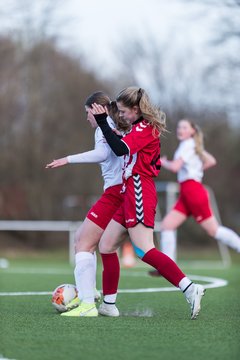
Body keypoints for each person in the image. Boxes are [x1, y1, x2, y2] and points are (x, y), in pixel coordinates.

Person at [68, 86, 205, 320]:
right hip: (128, 189)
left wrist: (102, 122)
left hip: (140, 188)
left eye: (122, 111)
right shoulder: (137, 125)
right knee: (107, 245)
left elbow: (120, 149)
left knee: (144, 249)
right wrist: (103, 121)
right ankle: (109, 304)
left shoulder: (146, 128)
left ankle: (190, 288)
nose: (120, 115)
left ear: (135, 109)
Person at [46, 91, 130, 317]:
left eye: (87, 113)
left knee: (84, 243)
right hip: (119, 192)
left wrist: (68, 159)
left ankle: (87, 304)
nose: (86, 118)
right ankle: (90, 294)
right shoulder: (116, 123)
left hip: (116, 193)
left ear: (96, 109)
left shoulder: (106, 125)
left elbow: (102, 154)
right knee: (81, 239)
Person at [149, 118, 240, 276]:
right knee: (167, 225)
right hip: (187, 193)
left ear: (192, 131)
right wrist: (197, 169)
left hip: (194, 192)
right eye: (179, 127)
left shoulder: (187, 145)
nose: (180, 129)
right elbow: (211, 161)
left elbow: (176, 167)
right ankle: (167, 267)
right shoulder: (192, 145)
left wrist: (163, 162)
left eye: (184, 127)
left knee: (213, 231)